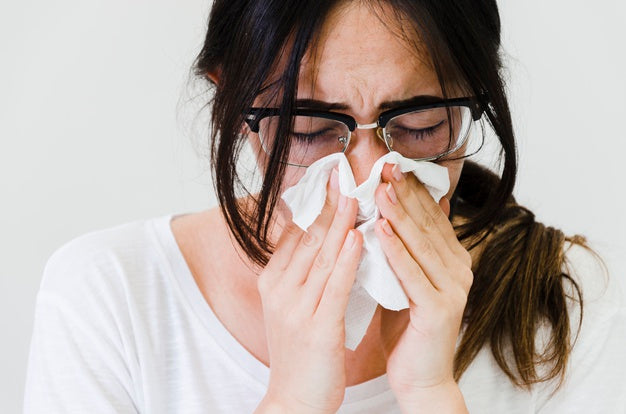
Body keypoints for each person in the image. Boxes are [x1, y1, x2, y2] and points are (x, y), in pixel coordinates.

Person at [23, 0, 626, 413]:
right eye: (311, 129)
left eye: (418, 124)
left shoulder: (563, 301)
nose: (366, 175)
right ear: (232, 110)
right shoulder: (110, 297)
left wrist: (430, 390)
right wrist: (291, 400)